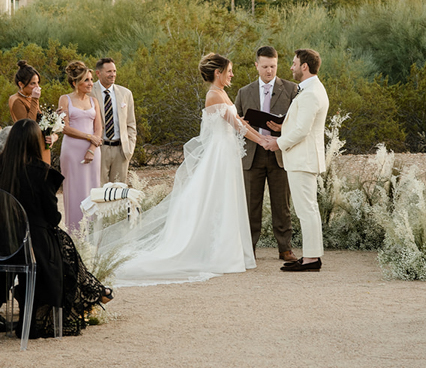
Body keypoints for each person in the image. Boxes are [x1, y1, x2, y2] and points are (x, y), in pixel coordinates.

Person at [101, 53, 269, 286]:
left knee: (224, 199)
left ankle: (227, 249)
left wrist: (257, 131)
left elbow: (236, 121)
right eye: (228, 70)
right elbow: (238, 125)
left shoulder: (221, 93)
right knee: (220, 198)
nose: (232, 74)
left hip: (225, 153)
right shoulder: (214, 95)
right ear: (217, 73)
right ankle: (219, 253)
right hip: (219, 155)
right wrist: (264, 141)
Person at [0, 120, 112, 336]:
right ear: (36, 143)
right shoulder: (41, 172)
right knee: (62, 243)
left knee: (60, 242)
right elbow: (53, 217)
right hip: (32, 246)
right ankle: (95, 291)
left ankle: (95, 290)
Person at [263, 49, 329, 273]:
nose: (290, 67)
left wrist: (277, 143)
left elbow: (302, 130)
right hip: (303, 158)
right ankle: (312, 256)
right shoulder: (311, 90)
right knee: (308, 209)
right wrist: (283, 126)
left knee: (306, 210)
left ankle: (312, 259)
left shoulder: (310, 93)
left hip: (303, 159)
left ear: (304, 66)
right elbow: (300, 124)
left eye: (293, 64)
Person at [234, 45, 299, 263]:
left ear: (277, 65)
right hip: (252, 155)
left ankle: (285, 248)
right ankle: (249, 248)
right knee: (251, 204)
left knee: (282, 204)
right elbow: (235, 122)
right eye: (264, 66)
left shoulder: (291, 89)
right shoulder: (244, 92)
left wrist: (283, 129)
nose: (269, 71)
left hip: (280, 153)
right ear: (257, 66)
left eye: (272, 66)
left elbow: (299, 122)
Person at [58, 60, 102, 231]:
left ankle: (93, 231)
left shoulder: (94, 102)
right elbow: (65, 127)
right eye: (86, 80)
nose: (91, 83)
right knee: (75, 191)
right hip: (72, 151)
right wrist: (88, 137)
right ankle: (76, 232)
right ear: (75, 83)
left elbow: (99, 128)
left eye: (91, 79)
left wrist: (91, 148)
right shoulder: (65, 99)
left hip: (93, 151)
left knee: (93, 188)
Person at [92, 58, 137, 185]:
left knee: (118, 191)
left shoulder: (125, 93)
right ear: (98, 73)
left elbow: (131, 123)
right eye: (109, 71)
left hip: (120, 150)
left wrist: (129, 147)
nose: (113, 74)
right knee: (98, 190)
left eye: (114, 71)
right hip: (99, 148)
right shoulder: (90, 92)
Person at [8, 60, 56, 164]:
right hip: (30, 150)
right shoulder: (16, 100)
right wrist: (35, 99)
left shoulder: (30, 97)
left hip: (42, 147)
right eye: (32, 84)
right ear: (21, 84)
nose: (37, 87)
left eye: (38, 83)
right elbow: (28, 124)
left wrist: (53, 136)